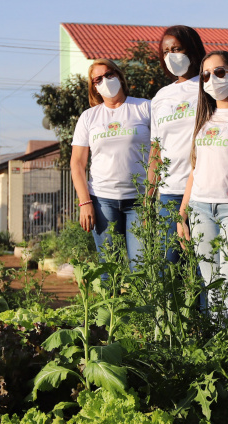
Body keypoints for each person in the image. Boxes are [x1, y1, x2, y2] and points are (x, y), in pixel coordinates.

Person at [177, 50, 228, 310]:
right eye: (206, 75)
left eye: (219, 72)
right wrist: (182, 213)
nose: (212, 79)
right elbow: (195, 168)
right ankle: (218, 339)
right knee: (213, 291)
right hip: (200, 209)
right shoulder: (203, 118)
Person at [71, 59, 151, 269]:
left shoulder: (144, 107)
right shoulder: (88, 117)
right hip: (102, 201)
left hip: (140, 200)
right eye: (98, 79)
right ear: (94, 88)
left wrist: (151, 198)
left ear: (119, 76)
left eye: (109, 74)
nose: (105, 81)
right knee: (110, 269)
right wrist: (85, 203)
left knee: (141, 267)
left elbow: (159, 151)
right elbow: (77, 163)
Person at [148, 25, 206, 262]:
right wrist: (149, 195)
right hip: (169, 194)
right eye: (165, 51)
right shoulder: (161, 97)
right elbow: (156, 150)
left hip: (203, 191)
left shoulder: (208, 86)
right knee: (169, 268)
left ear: (192, 49)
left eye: (176, 49)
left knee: (203, 266)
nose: (170, 56)